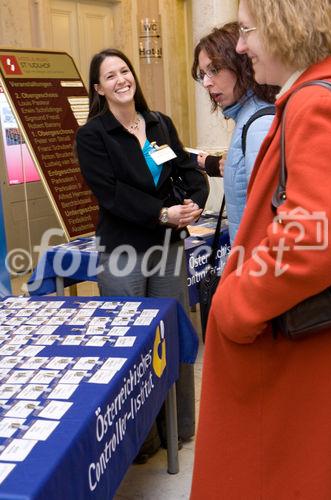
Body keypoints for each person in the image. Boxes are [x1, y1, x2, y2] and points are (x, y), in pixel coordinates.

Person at [191, 0, 331, 498]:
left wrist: (234, 305)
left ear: (285, 27)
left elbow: (315, 238)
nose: (244, 44)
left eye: (249, 31)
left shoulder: (313, 101)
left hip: (287, 342)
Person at [76, 48, 209, 459]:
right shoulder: (93, 136)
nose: (121, 79)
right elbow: (112, 195)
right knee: (131, 347)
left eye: (125, 70)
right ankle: (139, 441)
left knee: (173, 337)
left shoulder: (158, 124)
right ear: (98, 88)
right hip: (124, 252)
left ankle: (180, 429)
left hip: (168, 248)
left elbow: (187, 171)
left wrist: (194, 204)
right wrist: (162, 212)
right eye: (110, 75)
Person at [191, 22, 279, 244]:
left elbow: (270, 222)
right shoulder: (248, 118)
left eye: (214, 70)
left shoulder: (258, 124)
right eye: (203, 74)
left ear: (240, 64)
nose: (207, 83)